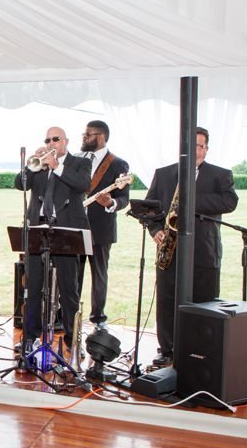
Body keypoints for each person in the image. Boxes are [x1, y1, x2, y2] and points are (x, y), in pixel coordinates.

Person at [145, 126, 238, 367]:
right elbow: (149, 209)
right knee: (167, 303)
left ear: (206, 149)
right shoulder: (164, 174)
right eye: (190, 144)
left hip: (203, 251)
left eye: (200, 145)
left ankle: (199, 352)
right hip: (170, 250)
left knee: (202, 303)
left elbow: (230, 202)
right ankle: (167, 349)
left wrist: (189, 197)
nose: (195, 149)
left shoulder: (220, 175)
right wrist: (155, 230)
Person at [13, 127, 91, 349]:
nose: (51, 143)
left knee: (69, 289)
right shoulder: (39, 165)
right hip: (38, 231)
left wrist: (58, 167)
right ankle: (30, 336)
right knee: (34, 287)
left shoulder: (79, 163)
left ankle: (71, 338)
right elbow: (20, 184)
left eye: (55, 139)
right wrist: (32, 164)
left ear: (66, 141)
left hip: (66, 233)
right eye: (47, 140)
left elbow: (83, 185)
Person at [76, 121, 130, 328]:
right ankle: (69, 315)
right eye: (84, 133)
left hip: (100, 228)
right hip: (75, 227)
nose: (84, 137)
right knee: (73, 275)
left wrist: (112, 203)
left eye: (88, 134)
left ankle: (98, 318)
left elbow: (123, 198)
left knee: (99, 274)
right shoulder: (76, 159)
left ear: (102, 137)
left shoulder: (118, 164)